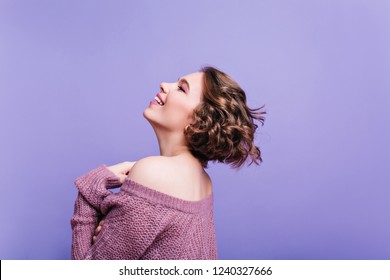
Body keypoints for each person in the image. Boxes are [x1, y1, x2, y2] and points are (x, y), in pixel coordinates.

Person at [70, 66, 266, 260]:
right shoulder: (203, 182)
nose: (164, 85)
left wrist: (91, 186)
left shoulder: (154, 173)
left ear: (200, 120)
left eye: (181, 88)